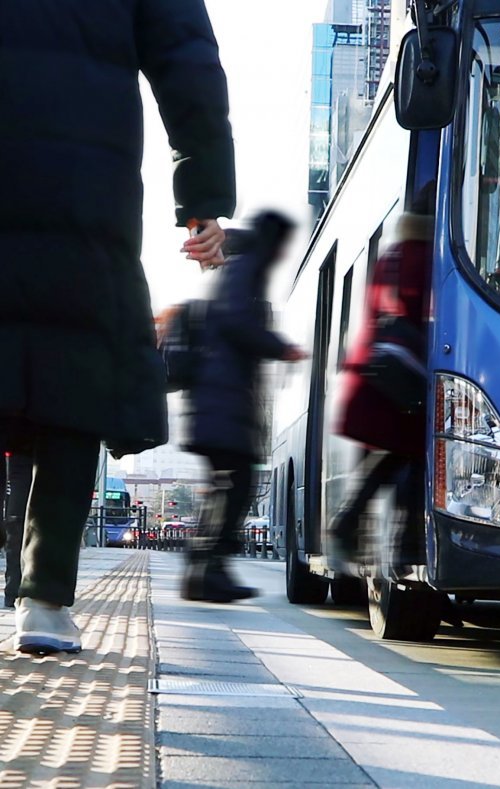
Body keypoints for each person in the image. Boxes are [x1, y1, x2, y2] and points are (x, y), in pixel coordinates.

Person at [0, 0, 234, 655]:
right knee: (72, 394)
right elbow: (189, 64)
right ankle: (44, 602)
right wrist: (204, 201)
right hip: (86, 194)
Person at [181, 211, 306, 602]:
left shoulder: (236, 264)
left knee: (226, 486)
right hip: (224, 400)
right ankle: (209, 571)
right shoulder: (246, 265)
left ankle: (202, 573)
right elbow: (236, 321)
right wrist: (280, 347)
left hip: (216, 399)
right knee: (237, 486)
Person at [328, 189, 434, 572]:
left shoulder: (394, 253)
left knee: (394, 457)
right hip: (400, 381)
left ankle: (369, 535)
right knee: (413, 457)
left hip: (380, 377)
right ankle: (402, 546)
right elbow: (418, 310)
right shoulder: (425, 256)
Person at [3, 453, 33, 609]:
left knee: (14, 541)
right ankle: (27, 592)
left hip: (15, 493)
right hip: (32, 490)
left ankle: (12, 592)